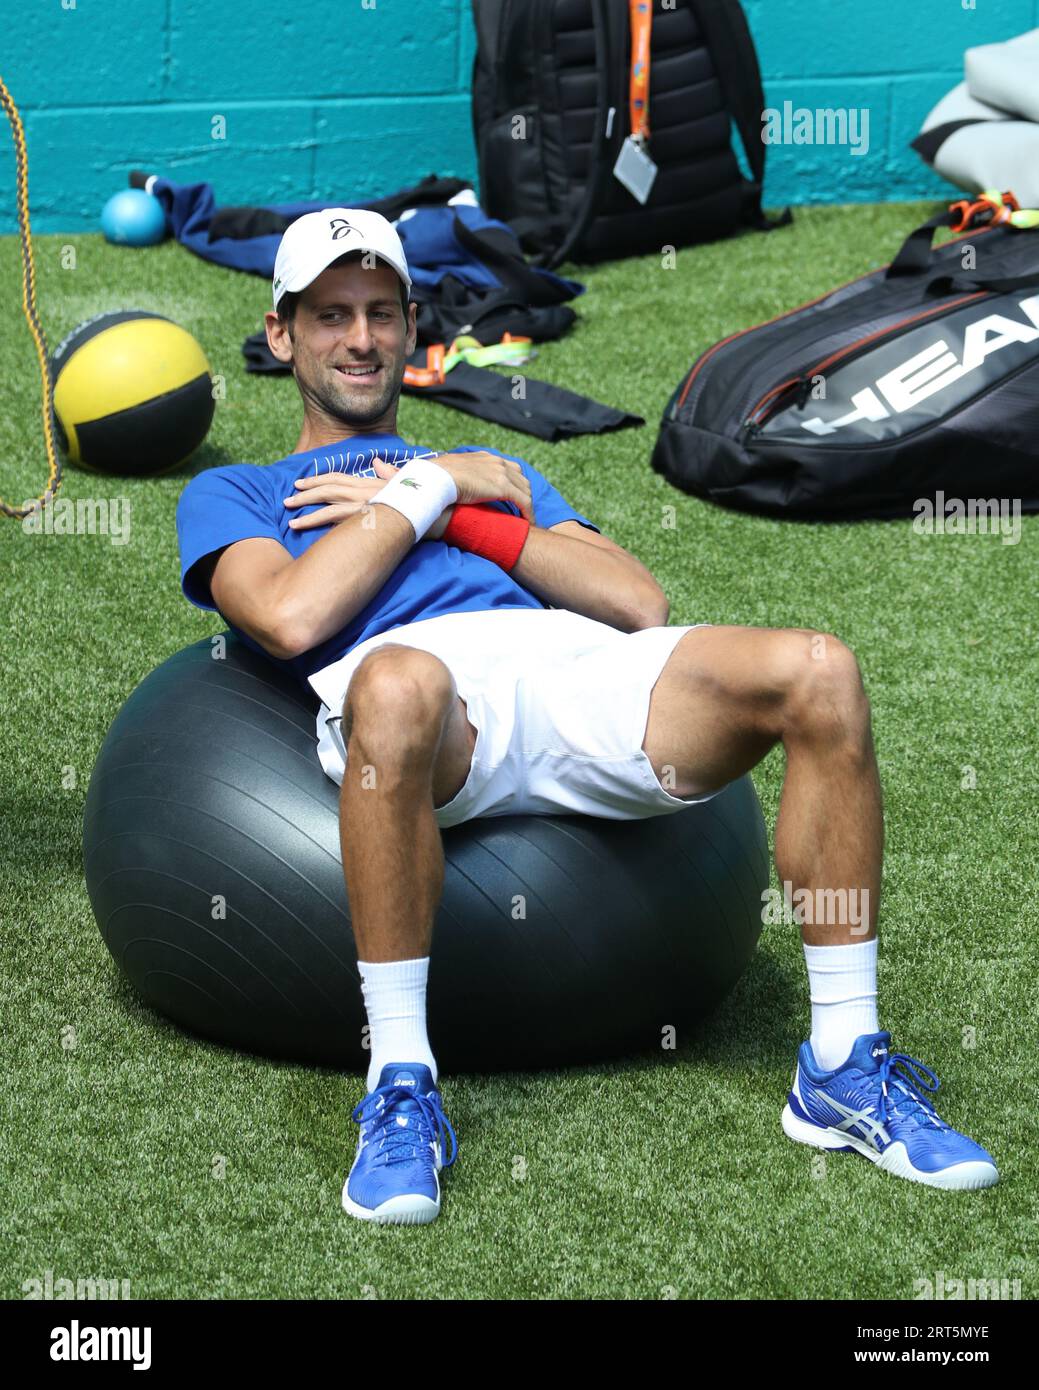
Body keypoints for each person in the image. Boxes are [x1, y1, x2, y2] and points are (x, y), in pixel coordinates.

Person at [176, 207, 999, 1225]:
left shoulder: (491, 473)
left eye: (382, 314)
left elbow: (633, 601)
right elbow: (293, 615)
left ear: (409, 327)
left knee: (819, 670)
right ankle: (400, 1085)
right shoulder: (237, 490)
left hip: (567, 669)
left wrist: (468, 506)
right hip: (427, 708)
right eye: (333, 316)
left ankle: (840, 1062)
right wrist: (428, 486)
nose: (360, 339)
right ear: (281, 334)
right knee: (396, 680)